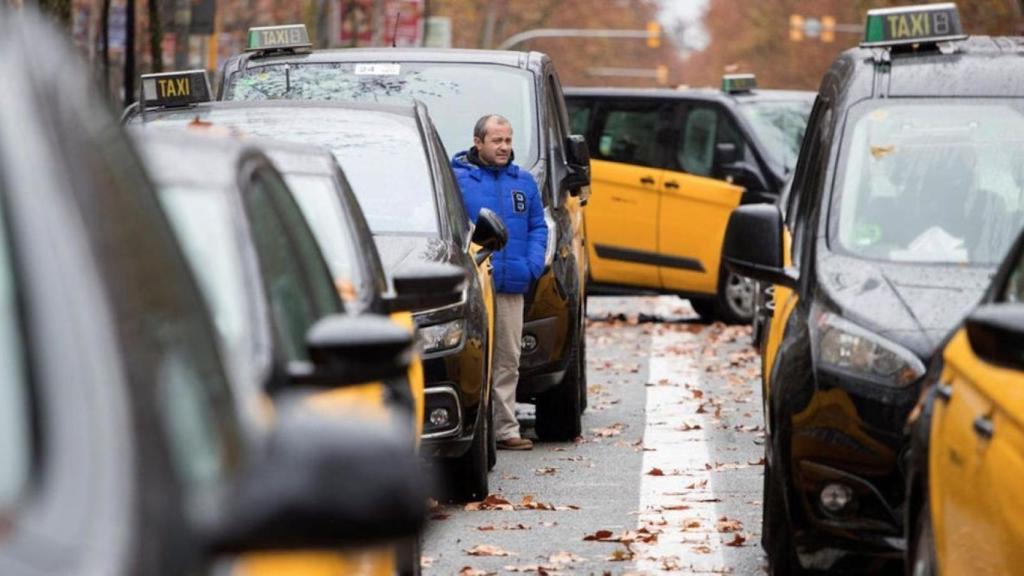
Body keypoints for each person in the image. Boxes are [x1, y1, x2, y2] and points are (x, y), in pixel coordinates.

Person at [451, 114, 547, 451]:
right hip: (474, 285)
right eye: (497, 141)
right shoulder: (457, 180)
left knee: (508, 358)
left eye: (508, 140)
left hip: (511, 285)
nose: (504, 147)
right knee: (471, 358)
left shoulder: (524, 183)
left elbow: (538, 227)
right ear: (478, 142)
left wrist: (532, 264)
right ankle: (471, 428)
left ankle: (506, 429)